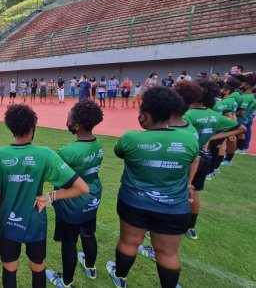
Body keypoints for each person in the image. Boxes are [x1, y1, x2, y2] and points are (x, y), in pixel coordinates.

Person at [106, 87, 199, 288]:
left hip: (134, 201)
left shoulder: (131, 138)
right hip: (174, 206)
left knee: (129, 242)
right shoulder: (189, 139)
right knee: (168, 252)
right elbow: (191, 161)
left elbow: (120, 152)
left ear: (144, 115)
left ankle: (120, 277)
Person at [0, 104, 89, 288]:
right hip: (35, 221)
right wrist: (49, 197)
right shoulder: (45, 154)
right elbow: (82, 188)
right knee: (37, 266)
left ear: (11, 129)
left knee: (10, 266)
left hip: (9, 222)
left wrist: (3, 213)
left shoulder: (0, 154)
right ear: (33, 127)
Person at [45, 100, 104, 288]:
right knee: (88, 234)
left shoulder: (67, 151)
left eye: (68, 118)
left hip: (71, 205)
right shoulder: (99, 145)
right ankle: (90, 267)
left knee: (69, 243)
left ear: (76, 126)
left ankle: (66, 281)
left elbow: (55, 176)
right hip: (92, 199)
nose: (67, 121)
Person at [181, 80, 246, 240]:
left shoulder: (188, 115)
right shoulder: (214, 115)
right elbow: (240, 128)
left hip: (189, 157)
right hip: (204, 157)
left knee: (180, 190)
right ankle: (190, 228)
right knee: (195, 191)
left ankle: (171, 226)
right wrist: (211, 138)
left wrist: (211, 139)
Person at [232, 72, 255, 158]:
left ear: (248, 84)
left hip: (240, 119)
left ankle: (239, 148)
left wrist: (232, 114)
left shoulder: (246, 97)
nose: (241, 83)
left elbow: (242, 112)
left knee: (237, 133)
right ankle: (240, 148)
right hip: (243, 119)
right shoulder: (245, 95)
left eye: (243, 82)